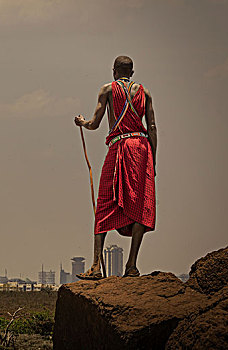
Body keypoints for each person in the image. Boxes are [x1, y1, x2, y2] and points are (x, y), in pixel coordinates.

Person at [74, 55, 157, 278]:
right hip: (141, 149)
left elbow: (94, 123)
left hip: (120, 146)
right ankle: (131, 265)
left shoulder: (107, 90)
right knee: (140, 204)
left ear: (114, 71)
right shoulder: (145, 93)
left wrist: (82, 123)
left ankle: (95, 267)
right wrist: (153, 161)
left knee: (104, 202)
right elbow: (152, 127)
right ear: (131, 72)